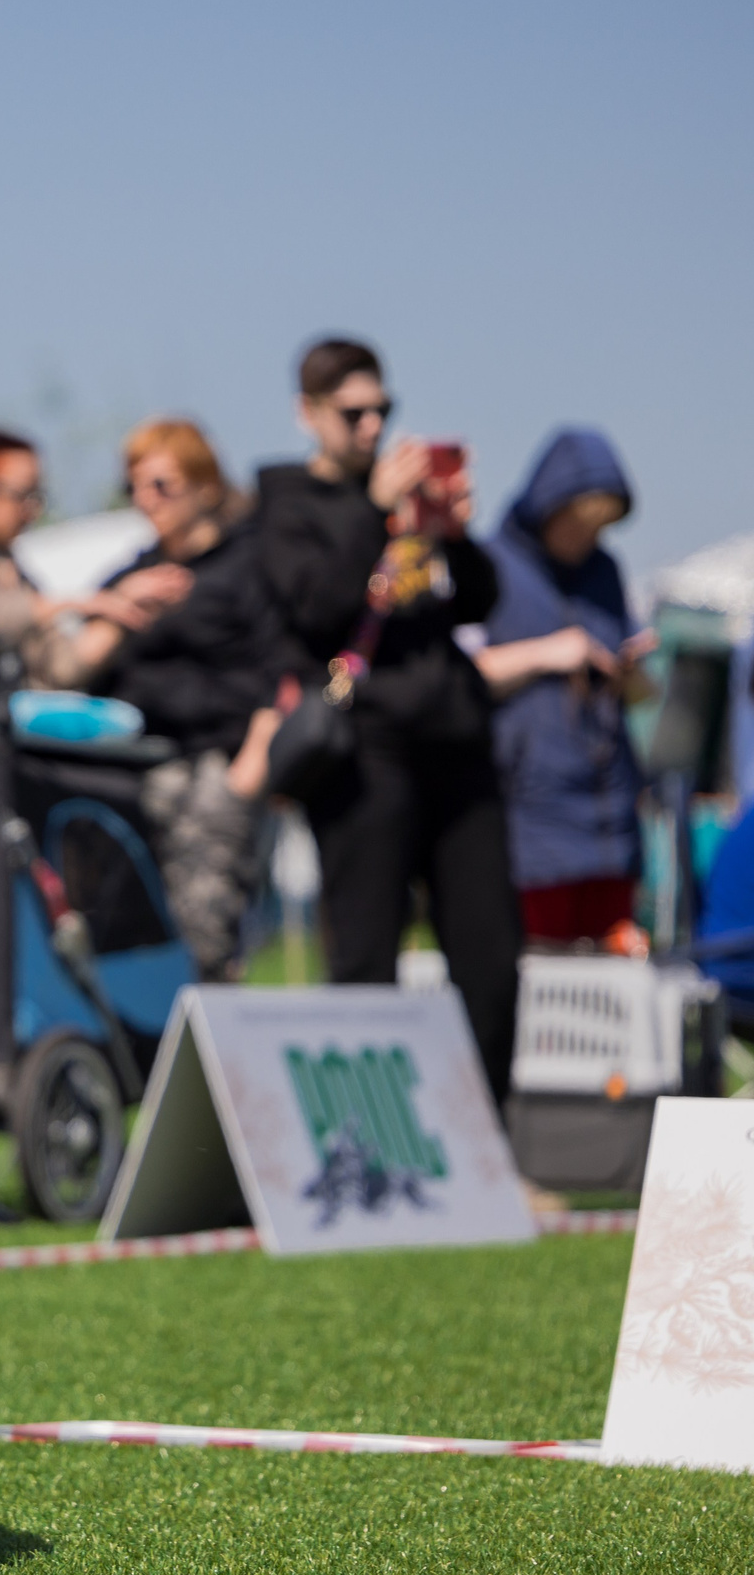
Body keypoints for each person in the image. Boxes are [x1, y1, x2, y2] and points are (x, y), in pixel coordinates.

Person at [252, 336, 520, 1107]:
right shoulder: (286, 501)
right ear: (309, 414)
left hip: (457, 746)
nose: (373, 428)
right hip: (365, 754)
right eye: (353, 413)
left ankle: (486, 1144)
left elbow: (478, 603)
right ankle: (369, 1143)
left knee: (491, 955)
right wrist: (373, 515)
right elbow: (316, 606)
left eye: (383, 410)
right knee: (367, 954)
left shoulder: (409, 503)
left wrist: (452, 532)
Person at [92, 419, 290, 979]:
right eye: (136, 487)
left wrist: (253, 763)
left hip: (221, 764)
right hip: (145, 766)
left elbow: (282, 667)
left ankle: (208, 1028)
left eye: (162, 485)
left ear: (204, 488)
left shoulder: (247, 565)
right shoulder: (137, 572)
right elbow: (85, 662)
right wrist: (120, 603)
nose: (146, 500)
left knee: (205, 918)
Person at [475, 428, 652, 946]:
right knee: (542, 973)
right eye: (579, 525)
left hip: (608, 809)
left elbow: (639, 700)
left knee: (615, 973)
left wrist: (629, 674)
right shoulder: (492, 566)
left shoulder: (606, 572)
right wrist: (548, 653)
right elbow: (464, 674)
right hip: (531, 809)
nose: (588, 540)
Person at [0, 429, 186, 717]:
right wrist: (70, 603)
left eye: (36, 496)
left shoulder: (10, 569)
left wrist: (122, 608)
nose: (31, 510)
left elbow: (61, 666)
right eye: (21, 495)